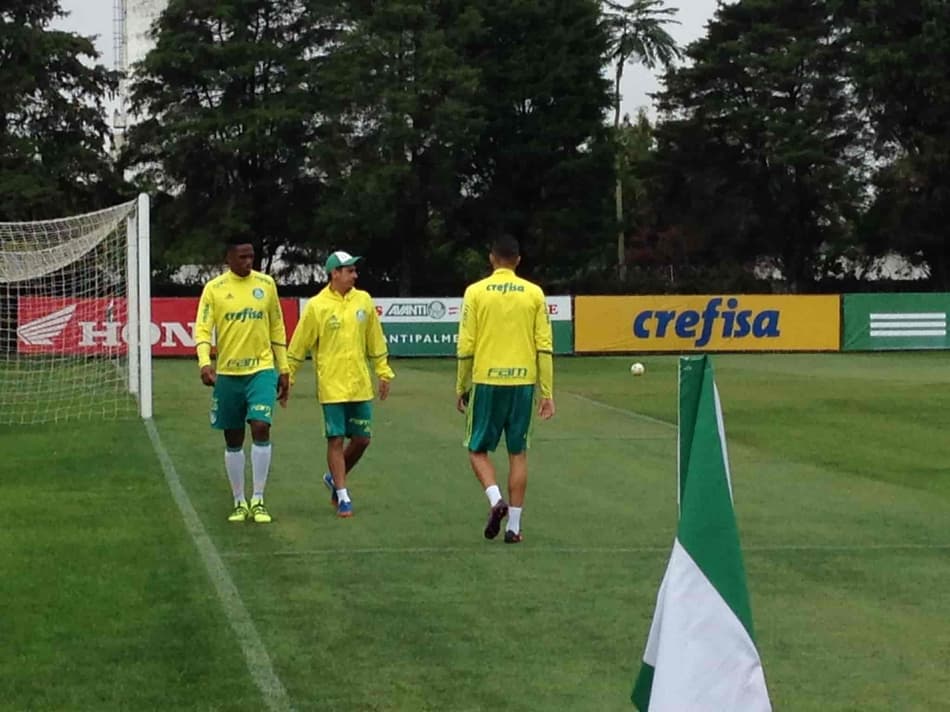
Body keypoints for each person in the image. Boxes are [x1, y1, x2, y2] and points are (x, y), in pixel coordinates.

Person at [456, 235, 555, 544]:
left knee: (476, 449)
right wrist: (547, 393)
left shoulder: (475, 292)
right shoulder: (534, 293)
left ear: (491, 258)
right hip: (523, 382)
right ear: (518, 260)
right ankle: (513, 527)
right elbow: (545, 346)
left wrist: (461, 385)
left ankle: (495, 498)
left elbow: (466, 345)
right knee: (518, 453)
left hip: (487, 380)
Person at [286, 250, 394, 518]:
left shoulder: (364, 301)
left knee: (362, 439)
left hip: (359, 383)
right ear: (335, 273)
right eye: (350, 271)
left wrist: (383, 371)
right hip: (332, 385)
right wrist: (288, 376)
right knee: (335, 439)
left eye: (355, 271)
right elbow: (299, 345)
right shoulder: (317, 306)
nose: (355, 276)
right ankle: (343, 496)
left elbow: (375, 340)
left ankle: (333, 476)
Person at [194, 240, 290, 524]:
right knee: (233, 437)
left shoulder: (266, 284)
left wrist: (283, 367)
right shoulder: (214, 289)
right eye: (242, 256)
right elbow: (202, 328)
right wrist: (204, 362)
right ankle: (239, 501)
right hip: (228, 374)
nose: (249, 262)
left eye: (252, 256)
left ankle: (258, 499)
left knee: (261, 426)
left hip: (262, 369)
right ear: (229, 257)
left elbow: (277, 325)